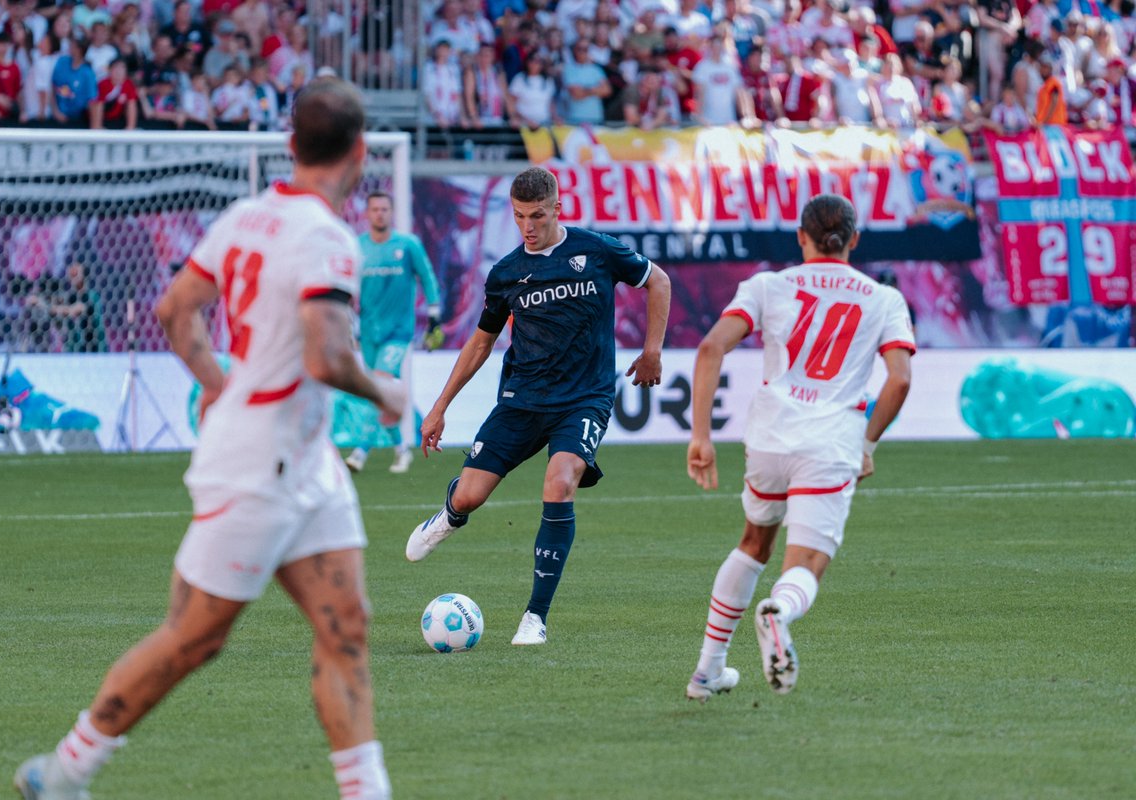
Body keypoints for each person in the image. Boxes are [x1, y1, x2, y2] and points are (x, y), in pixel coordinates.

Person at [14, 77, 405, 800]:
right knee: (194, 638)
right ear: (359, 153)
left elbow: (175, 309)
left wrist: (219, 384)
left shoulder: (247, 216)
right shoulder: (327, 237)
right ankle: (65, 772)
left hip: (307, 461)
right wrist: (387, 393)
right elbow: (325, 356)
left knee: (347, 624)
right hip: (256, 464)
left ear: (291, 146)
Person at [405, 166, 671, 646]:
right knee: (470, 496)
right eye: (520, 216)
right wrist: (440, 405)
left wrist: (652, 350)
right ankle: (449, 514)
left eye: (538, 215)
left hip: (584, 399)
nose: (529, 226)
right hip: (522, 401)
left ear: (557, 208)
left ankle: (535, 616)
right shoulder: (506, 272)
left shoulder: (596, 251)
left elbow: (660, 281)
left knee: (560, 481)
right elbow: (481, 343)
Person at [683, 194, 914, 702]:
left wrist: (701, 436)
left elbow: (709, 348)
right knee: (804, 564)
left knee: (753, 544)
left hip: (767, 437)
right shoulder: (883, 298)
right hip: (829, 442)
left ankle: (707, 672)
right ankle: (778, 613)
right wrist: (867, 443)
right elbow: (899, 380)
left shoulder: (768, 285)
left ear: (801, 237)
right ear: (854, 239)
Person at [343, 190, 442, 476]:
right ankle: (401, 449)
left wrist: (434, 318)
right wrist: (348, 322)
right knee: (380, 394)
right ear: (367, 214)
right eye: (375, 209)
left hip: (398, 333)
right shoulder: (358, 246)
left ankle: (360, 452)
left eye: (384, 209)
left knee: (382, 384)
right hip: (369, 333)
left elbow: (427, 277)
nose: (379, 214)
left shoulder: (407, 244)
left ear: (392, 212)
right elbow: (348, 288)